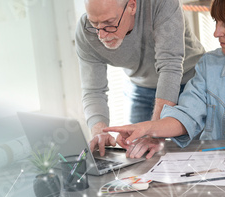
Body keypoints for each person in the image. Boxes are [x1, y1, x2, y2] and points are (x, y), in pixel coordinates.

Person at [103, 0, 225, 157]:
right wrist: (146, 128)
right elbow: (186, 115)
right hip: (221, 170)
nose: (216, 33)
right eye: (216, 23)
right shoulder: (209, 64)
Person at [76, 0, 205, 157]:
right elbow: (93, 90)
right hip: (140, 87)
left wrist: (155, 132)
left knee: (193, 155)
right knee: (139, 157)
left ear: (132, 6)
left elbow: (170, 67)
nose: (101, 35)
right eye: (94, 23)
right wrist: (99, 132)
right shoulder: (86, 32)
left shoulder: (161, 4)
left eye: (109, 23)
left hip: (188, 83)